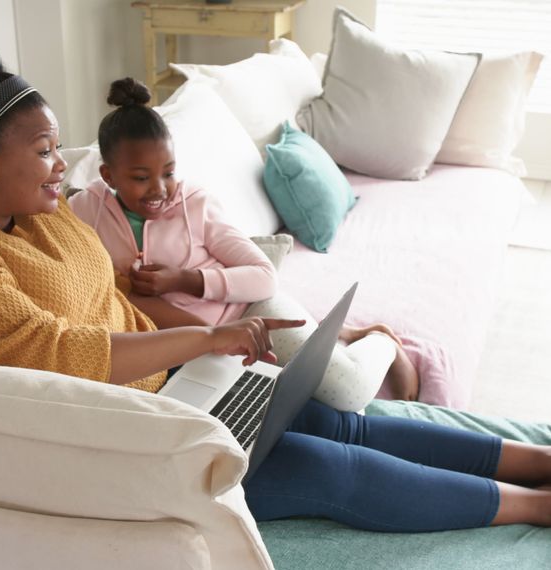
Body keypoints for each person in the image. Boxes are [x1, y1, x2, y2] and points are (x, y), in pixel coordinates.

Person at [0, 42, 551, 534]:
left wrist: (210, 352)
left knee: (337, 419)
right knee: (332, 472)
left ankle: (547, 461)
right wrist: (209, 337)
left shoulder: (41, 219)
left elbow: (114, 303)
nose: (62, 165)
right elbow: (56, 354)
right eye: (47, 150)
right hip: (106, 440)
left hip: (172, 391)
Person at [69, 77, 420, 410]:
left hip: (249, 312)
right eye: (141, 178)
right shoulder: (85, 210)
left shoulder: (196, 204)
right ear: (108, 176)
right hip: (189, 342)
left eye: (169, 172)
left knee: (347, 393)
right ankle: (338, 332)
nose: (160, 189)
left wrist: (183, 280)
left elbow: (264, 276)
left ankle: (382, 340)